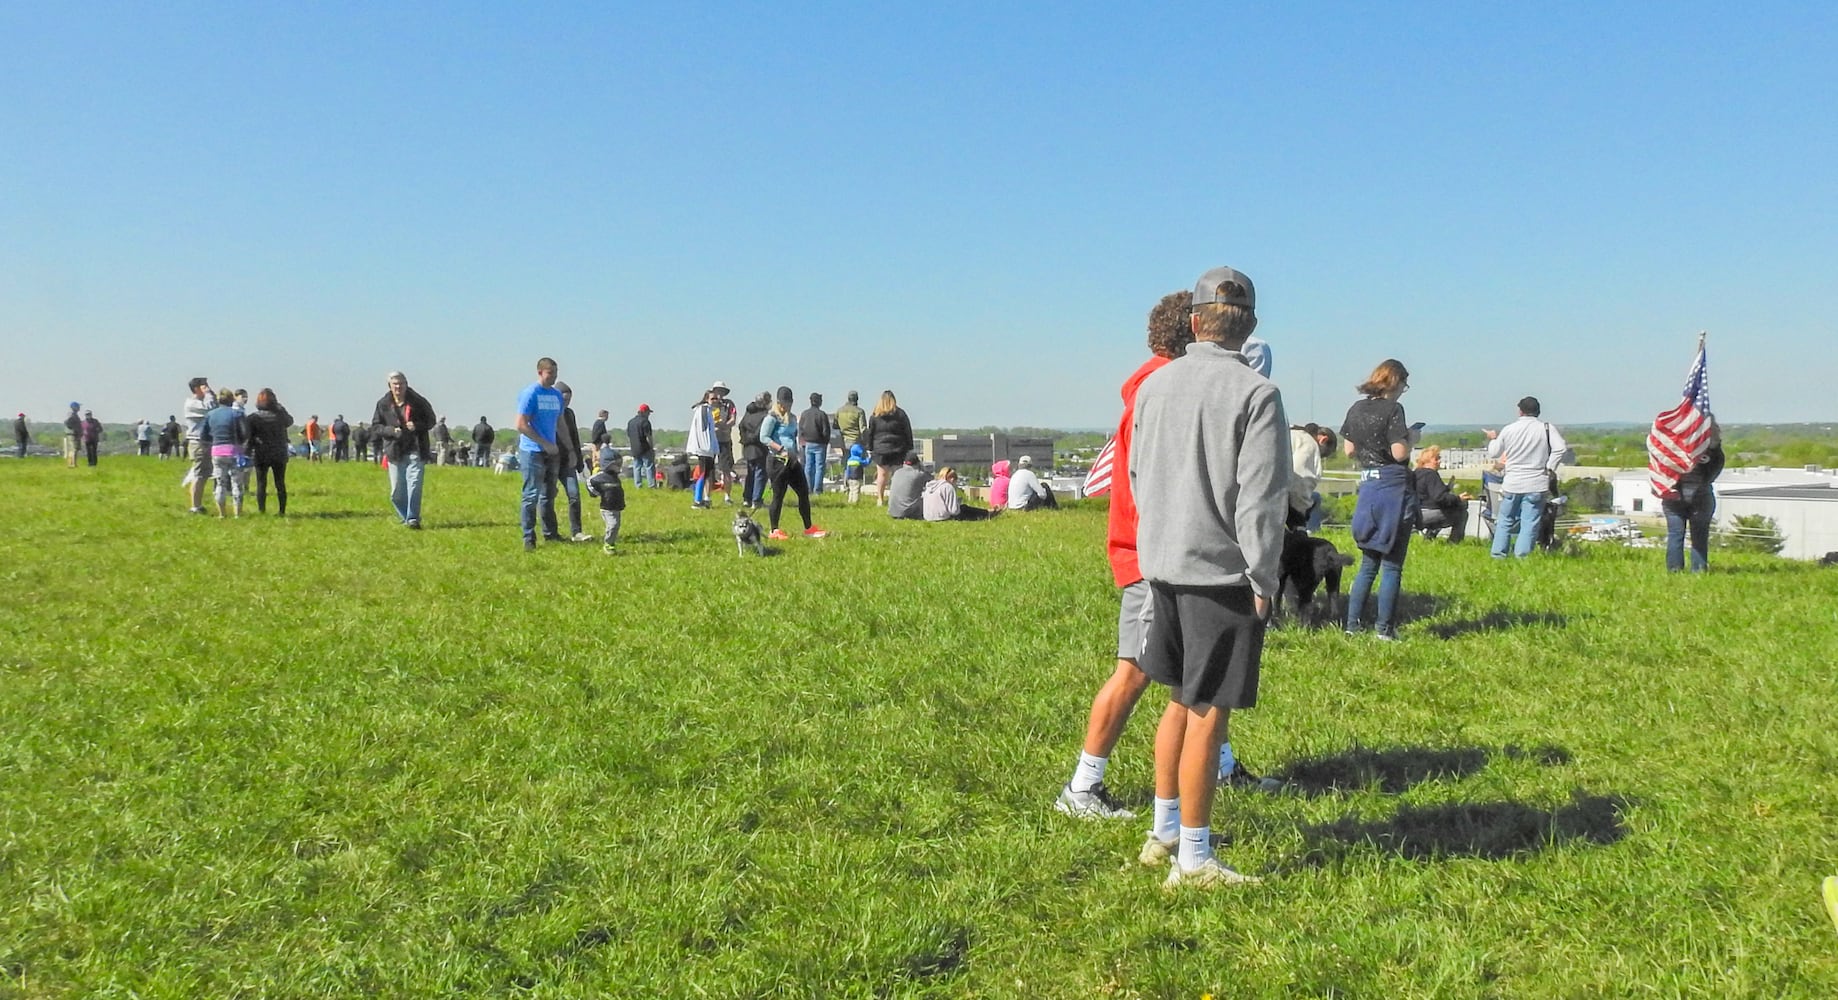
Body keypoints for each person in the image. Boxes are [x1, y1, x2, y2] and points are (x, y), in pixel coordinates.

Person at [1055, 288, 1280, 829]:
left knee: (1188, 687)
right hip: (1161, 552)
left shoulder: (1155, 386)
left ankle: (1209, 774)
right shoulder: (1165, 390)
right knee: (1138, 672)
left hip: (1158, 549)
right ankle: (1084, 784)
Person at [1130, 265, 1284, 888]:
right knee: (1208, 714)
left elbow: (1138, 477)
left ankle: (1164, 826)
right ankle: (1194, 858)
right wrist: (1265, 577)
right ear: (1247, 328)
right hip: (1222, 574)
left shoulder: (1154, 387)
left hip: (1161, 563)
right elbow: (1260, 499)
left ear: (1195, 321)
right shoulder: (1256, 393)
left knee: (1176, 698)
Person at [1341, 359, 1416, 640]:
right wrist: (1411, 438)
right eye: (1404, 385)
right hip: (1393, 485)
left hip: (1368, 486)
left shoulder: (1356, 408)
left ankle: (1351, 625)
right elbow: (1399, 453)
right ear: (1394, 381)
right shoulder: (1394, 410)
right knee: (1392, 565)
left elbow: (1349, 450)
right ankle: (1384, 630)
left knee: (1368, 563)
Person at [1484, 396, 1568, 559]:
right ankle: (1522, 556)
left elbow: (1494, 452)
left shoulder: (1509, 429)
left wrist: (1493, 438)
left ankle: (1498, 554)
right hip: (1537, 482)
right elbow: (1560, 448)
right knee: (1529, 523)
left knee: (1505, 520)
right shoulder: (1546, 428)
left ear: (1520, 411)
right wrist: (1549, 466)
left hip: (1512, 482)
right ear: (1538, 411)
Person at [758, 386, 828, 539]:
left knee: (803, 492)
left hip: (792, 461)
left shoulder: (793, 418)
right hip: (777, 462)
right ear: (778, 402)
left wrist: (797, 453)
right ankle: (774, 530)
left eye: (789, 403)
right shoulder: (772, 418)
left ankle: (809, 528)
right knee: (778, 496)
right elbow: (764, 437)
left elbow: (794, 436)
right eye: (783, 403)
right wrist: (780, 449)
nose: (786, 406)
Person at [372, 370, 436, 529]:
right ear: (390, 386)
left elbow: (431, 420)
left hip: (416, 449)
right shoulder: (383, 404)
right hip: (394, 451)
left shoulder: (418, 402)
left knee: (414, 485)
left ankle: (413, 518)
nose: (398, 387)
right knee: (396, 492)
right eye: (395, 384)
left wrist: (417, 426)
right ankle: (405, 516)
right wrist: (391, 431)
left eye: (401, 383)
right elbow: (376, 426)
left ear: (407, 385)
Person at [1659, 418, 1724, 573]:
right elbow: (1715, 471)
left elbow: (1661, 467)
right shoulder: (1712, 451)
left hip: (1674, 496)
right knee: (1699, 536)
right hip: (1700, 496)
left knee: (1675, 534)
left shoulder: (1671, 447)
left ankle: (1674, 571)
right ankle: (1698, 571)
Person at [515, 358, 565, 549]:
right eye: (550, 373)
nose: (553, 376)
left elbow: (560, 422)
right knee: (531, 495)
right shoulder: (530, 394)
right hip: (533, 451)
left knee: (549, 494)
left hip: (552, 451)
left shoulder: (556, 395)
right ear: (540, 372)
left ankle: (551, 533)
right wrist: (543, 443)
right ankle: (529, 537)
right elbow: (521, 424)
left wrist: (565, 445)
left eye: (556, 372)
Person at [245, 388, 293, 515]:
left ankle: (262, 510)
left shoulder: (253, 418)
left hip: (261, 453)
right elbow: (290, 421)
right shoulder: (280, 417)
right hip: (279, 453)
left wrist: (247, 451)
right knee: (280, 483)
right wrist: (281, 408)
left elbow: (249, 437)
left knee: (261, 483)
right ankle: (282, 510)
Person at [202, 389, 249, 516]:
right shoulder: (237, 414)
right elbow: (245, 433)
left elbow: (204, 436)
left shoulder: (210, 414)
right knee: (237, 484)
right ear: (231, 400)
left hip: (217, 451)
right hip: (234, 451)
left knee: (220, 483)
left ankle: (222, 513)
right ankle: (237, 513)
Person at [1412, 445, 1471, 543]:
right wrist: (1458, 498)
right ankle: (1454, 542)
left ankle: (1429, 538)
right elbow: (1439, 498)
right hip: (1426, 514)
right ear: (1427, 461)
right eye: (1436, 459)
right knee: (1462, 512)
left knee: (1445, 508)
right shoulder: (1431, 475)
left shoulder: (1415, 473)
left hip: (1414, 512)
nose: (1439, 461)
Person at [864, 391, 914, 505]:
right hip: (898, 448)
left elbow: (870, 433)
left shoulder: (875, 415)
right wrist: (909, 447)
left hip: (880, 449)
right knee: (897, 476)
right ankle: (896, 499)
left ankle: (880, 499)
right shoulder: (901, 414)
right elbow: (907, 431)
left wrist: (870, 447)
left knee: (881, 475)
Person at [555, 382, 590, 541]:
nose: (566, 403)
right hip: (551, 461)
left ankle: (577, 532)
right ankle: (550, 533)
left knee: (574, 495)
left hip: (568, 462)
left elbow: (574, 437)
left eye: (569, 400)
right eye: (564, 399)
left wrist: (579, 461)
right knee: (547, 497)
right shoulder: (549, 413)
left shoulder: (569, 414)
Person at [1288, 423, 1337, 530]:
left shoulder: (1292, 433)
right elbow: (1300, 481)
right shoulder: (1308, 443)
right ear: (1323, 440)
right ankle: (1312, 531)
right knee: (1314, 498)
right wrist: (1299, 520)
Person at [182, 379, 215, 513]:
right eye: (204, 386)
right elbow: (211, 409)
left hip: (206, 442)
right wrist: (210, 394)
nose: (207, 388)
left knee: (204, 474)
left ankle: (198, 505)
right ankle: (195, 506)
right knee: (199, 475)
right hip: (198, 442)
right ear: (196, 388)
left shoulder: (202, 401)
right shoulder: (192, 403)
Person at [588, 446, 627, 555]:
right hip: (607, 508)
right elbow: (590, 482)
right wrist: (595, 493)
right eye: (617, 465)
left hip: (617, 507)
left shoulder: (615, 477)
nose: (619, 467)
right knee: (612, 525)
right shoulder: (601, 477)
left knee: (616, 526)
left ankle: (611, 543)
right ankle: (608, 544)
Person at [921, 466, 996, 521]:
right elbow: (954, 511)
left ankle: (987, 512)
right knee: (964, 508)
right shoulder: (947, 487)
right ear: (952, 479)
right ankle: (986, 514)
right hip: (942, 518)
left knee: (963, 508)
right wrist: (957, 503)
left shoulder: (929, 487)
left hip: (928, 517)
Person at [737, 391, 771, 508]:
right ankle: (756, 500)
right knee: (760, 473)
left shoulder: (748, 413)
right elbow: (762, 431)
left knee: (750, 473)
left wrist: (745, 438)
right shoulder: (765, 415)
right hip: (759, 447)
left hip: (747, 447)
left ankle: (747, 498)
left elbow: (741, 426)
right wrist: (754, 438)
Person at [686, 389, 719, 509]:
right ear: (706, 399)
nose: (715, 401)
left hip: (708, 448)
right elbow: (703, 431)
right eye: (712, 398)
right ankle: (697, 500)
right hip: (704, 448)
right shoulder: (704, 410)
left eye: (716, 398)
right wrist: (707, 447)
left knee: (707, 474)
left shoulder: (708, 410)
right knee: (703, 474)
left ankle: (706, 498)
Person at [710, 382, 739, 505]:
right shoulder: (709, 404)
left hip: (724, 439)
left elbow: (733, 418)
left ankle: (727, 495)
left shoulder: (729, 404)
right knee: (708, 469)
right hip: (711, 440)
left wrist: (725, 426)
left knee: (726, 469)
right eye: (718, 390)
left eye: (722, 391)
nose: (720, 394)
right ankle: (707, 495)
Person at [799, 391, 832, 494]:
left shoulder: (804, 414)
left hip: (808, 443)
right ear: (819, 402)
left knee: (808, 466)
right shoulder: (822, 414)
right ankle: (817, 490)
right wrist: (825, 441)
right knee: (819, 467)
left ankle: (808, 488)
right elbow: (826, 431)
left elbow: (800, 429)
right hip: (820, 443)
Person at [885, 451, 930, 520]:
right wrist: (922, 468)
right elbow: (933, 483)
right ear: (917, 463)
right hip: (908, 512)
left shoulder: (897, 472)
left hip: (893, 511)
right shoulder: (919, 474)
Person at [625, 404, 655, 488]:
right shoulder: (645, 422)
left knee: (637, 467)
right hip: (645, 448)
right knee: (649, 466)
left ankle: (638, 485)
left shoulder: (631, 422)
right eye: (648, 412)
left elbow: (628, 435)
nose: (649, 415)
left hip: (634, 448)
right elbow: (648, 436)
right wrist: (651, 447)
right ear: (644, 412)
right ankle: (651, 485)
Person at [834, 390, 866, 466]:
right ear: (857, 399)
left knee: (846, 463)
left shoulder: (839, 411)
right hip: (856, 441)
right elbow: (863, 429)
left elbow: (835, 426)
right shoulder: (859, 411)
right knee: (857, 463)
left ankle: (846, 477)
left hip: (843, 442)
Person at [62, 402, 81, 468]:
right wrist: (73, 429)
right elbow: (67, 422)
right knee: (74, 449)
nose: (79, 407)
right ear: (74, 407)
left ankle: (71, 464)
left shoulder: (73, 414)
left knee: (72, 449)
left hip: (73, 434)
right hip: (73, 434)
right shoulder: (72, 414)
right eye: (78, 406)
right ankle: (73, 464)